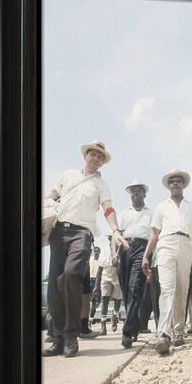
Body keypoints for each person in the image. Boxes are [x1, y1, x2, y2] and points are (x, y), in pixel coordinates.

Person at [43, 141, 128, 358]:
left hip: (82, 234)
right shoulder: (69, 175)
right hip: (58, 232)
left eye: (100, 156)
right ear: (86, 156)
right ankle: (58, 339)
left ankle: (71, 336)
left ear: (102, 162)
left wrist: (116, 230)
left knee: (71, 276)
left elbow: (108, 209)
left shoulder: (101, 186)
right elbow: (53, 193)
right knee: (54, 283)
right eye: (92, 154)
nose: (95, 158)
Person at [142, 170, 192, 355]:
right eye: (172, 182)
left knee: (182, 289)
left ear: (183, 185)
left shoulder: (191, 206)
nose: (175, 184)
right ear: (169, 186)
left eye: (179, 181)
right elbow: (154, 233)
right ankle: (164, 334)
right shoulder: (162, 206)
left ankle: (178, 331)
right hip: (166, 244)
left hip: (185, 244)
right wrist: (146, 255)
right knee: (167, 289)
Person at [115, 179, 153, 348]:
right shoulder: (124, 214)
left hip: (142, 250)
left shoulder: (151, 213)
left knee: (135, 288)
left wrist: (149, 256)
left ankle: (127, 332)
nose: (135, 193)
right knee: (126, 292)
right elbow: (117, 235)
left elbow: (154, 237)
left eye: (138, 190)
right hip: (125, 249)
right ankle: (135, 324)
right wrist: (114, 254)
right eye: (133, 191)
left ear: (144, 193)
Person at [95, 235, 123, 335]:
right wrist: (96, 285)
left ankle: (115, 316)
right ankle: (103, 325)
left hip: (117, 274)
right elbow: (100, 268)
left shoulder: (122, 248)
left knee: (117, 299)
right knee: (104, 299)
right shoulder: (104, 250)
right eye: (112, 237)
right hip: (106, 274)